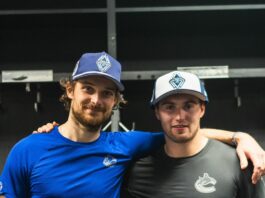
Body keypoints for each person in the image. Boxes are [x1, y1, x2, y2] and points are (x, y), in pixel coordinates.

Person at [0, 52, 264, 198]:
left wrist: (240, 137)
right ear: (70, 90)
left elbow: (181, 133)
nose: (95, 100)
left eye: (107, 93)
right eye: (88, 89)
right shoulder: (28, 149)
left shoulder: (125, 146)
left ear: (115, 100)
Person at [124, 71, 265, 197]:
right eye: (169, 107)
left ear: (202, 109)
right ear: (157, 112)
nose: (179, 116)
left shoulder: (239, 163)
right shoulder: (138, 172)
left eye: (188, 106)